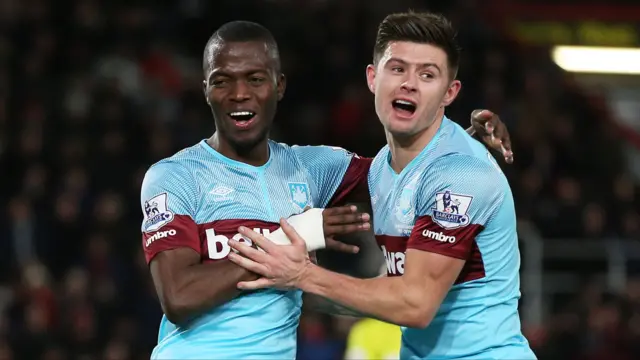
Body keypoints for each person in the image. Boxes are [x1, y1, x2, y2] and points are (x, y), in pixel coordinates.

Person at [140, 20, 514, 359]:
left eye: (255, 79)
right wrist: (297, 237)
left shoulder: (313, 169)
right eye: (223, 80)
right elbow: (179, 296)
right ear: (206, 89)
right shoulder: (174, 177)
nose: (240, 93)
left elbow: (414, 175)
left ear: (279, 86)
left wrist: (461, 144)